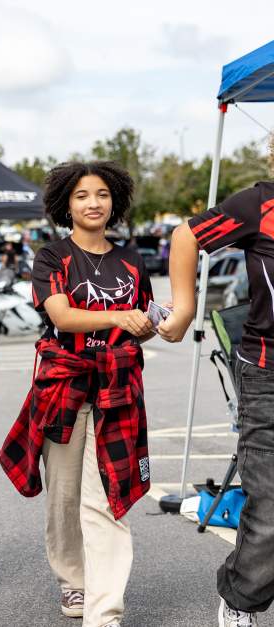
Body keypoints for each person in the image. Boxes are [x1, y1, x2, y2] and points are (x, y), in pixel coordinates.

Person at [0, 161, 155, 627]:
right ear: (66, 203)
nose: (93, 203)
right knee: (64, 498)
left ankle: (104, 610)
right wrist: (118, 319)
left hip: (118, 388)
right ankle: (74, 583)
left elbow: (138, 326)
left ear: (116, 201)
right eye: (83, 195)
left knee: (108, 495)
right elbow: (63, 317)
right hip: (64, 388)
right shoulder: (52, 256)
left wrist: (149, 325)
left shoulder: (132, 259)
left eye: (103, 194)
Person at [160, 134, 274, 627]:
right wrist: (185, 308)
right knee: (271, 511)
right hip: (267, 373)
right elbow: (186, 236)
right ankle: (241, 597)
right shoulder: (260, 202)